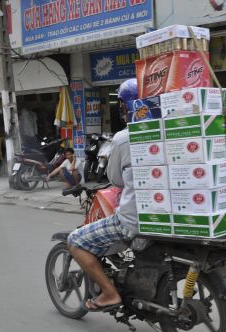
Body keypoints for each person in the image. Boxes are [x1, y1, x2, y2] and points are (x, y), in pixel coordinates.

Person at [67, 78, 138, 312]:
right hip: (165, 218)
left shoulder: (123, 138)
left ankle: (109, 293)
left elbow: (115, 180)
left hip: (132, 220)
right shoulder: (172, 129)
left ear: (125, 107)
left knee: (75, 241)